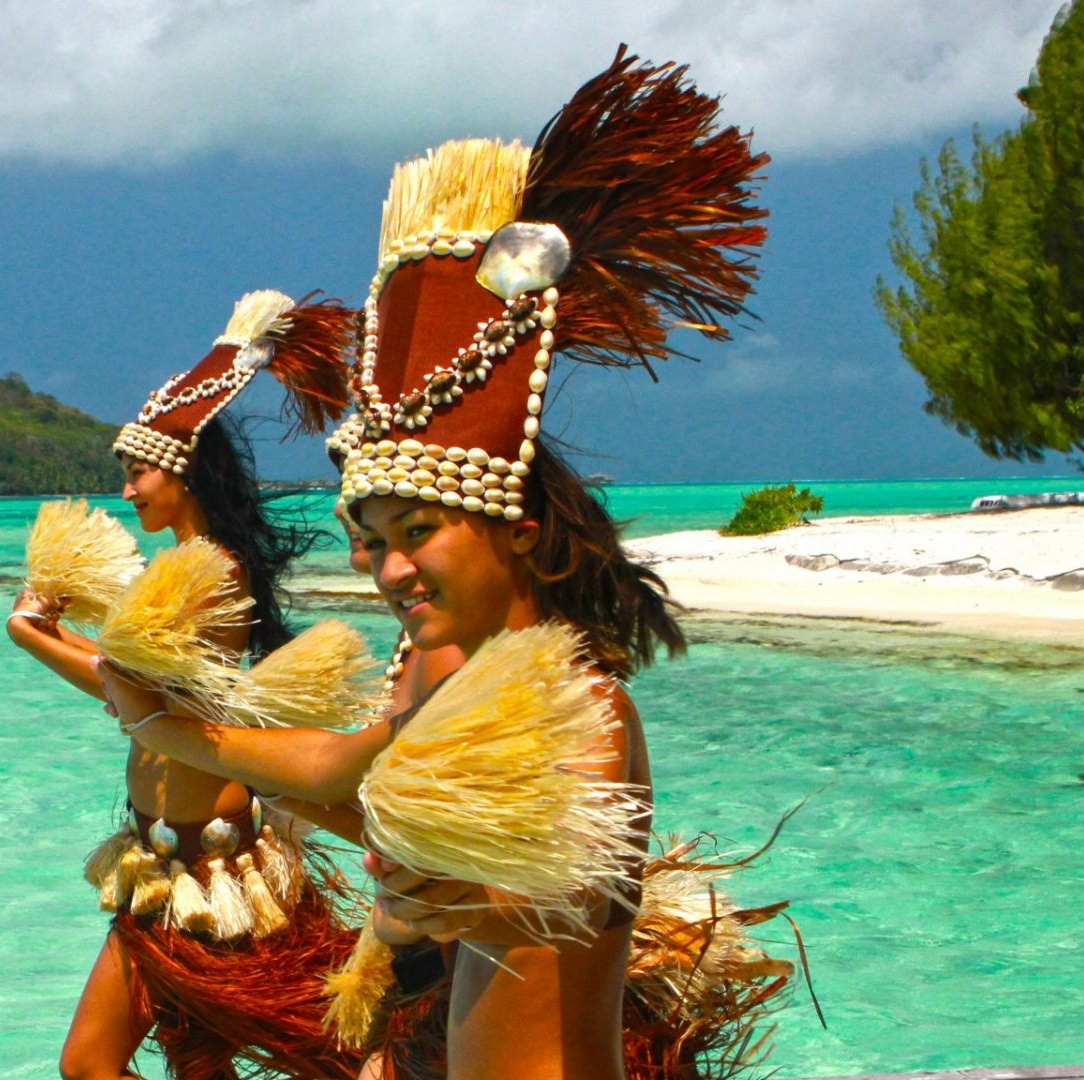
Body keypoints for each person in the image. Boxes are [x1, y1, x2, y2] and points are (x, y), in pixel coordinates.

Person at [97, 48, 768, 1080]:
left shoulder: (582, 705)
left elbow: (572, 889)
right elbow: (343, 776)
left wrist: (454, 893)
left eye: (421, 533)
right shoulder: (448, 691)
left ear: (522, 532)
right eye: (378, 540)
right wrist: (172, 728)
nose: (391, 569)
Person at [9, 291, 362, 1080]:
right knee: (191, 1063)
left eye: (138, 472)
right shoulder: (181, 572)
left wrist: (28, 634)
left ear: (181, 469)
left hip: (214, 870)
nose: (128, 491)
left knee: (94, 1064)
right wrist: (48, 632)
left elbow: (127, 692)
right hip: (164, 865)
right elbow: (130, 685)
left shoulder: (209, 575)